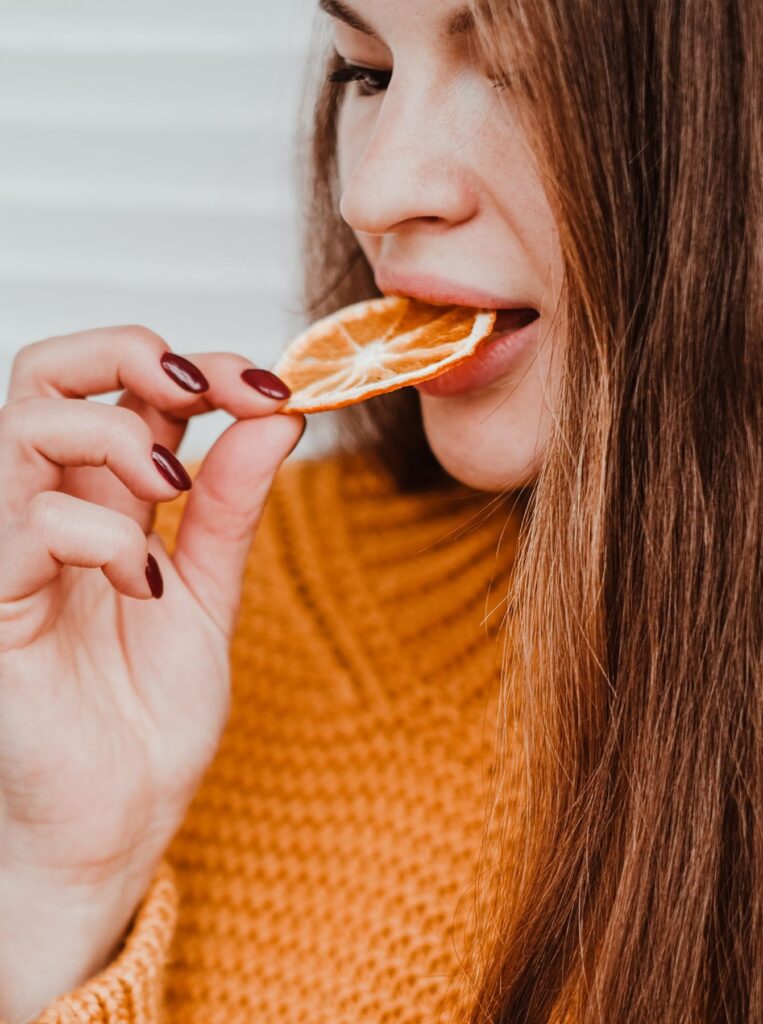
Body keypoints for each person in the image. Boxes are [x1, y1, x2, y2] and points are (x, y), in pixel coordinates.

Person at [0, 0, 759, 1020]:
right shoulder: (157, 612)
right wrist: (57, 893)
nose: (373, 193)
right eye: (365, 70)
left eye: (523, 71)